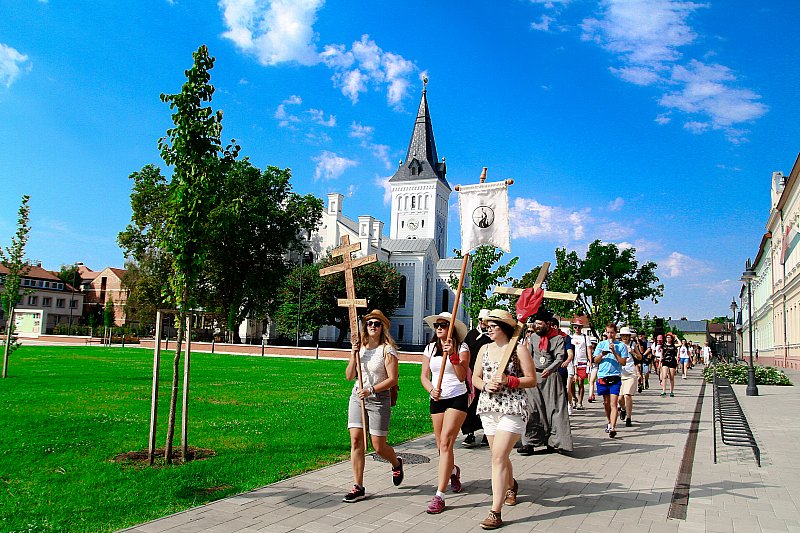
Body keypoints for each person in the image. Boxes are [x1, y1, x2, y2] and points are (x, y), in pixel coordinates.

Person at [472, 309, 537, 530]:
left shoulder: (518, 349)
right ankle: (510, 484)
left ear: (505, 328)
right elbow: (475, 378)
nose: (488, 328)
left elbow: (531, 379)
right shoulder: (484, 349)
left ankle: (495, 512)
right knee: (499, 455)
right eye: (487, 325)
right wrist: (485, 385)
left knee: (498, 458)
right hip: (489, 407)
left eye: (493, 325)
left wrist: (510, 380)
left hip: (512, 407)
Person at [343, 310, 404, 502]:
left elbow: (393, 379)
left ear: (382, 327)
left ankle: (396, 463)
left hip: (378, 399)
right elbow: (349, 376)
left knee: (378, 447)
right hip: (357, 397)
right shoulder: (359, 347)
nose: (373, 326)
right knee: (356, 441)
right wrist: (353, 355)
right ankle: (358, 486)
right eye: (369, 323)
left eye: (377, 324)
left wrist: (371, 389)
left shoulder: (387, 350)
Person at [421, 311, 471, 514]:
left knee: (446, 442)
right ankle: (452, 471)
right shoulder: (430, 348)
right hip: (437, 398)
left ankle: (439, 495)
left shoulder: (462, 347)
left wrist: (453, 356)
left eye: (443, 325)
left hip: (457, 397)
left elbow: (461, 377)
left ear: (452, 329)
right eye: (437, 325)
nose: (439, 328)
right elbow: (424, 376)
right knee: (440, 446)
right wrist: (430, 389)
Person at [519, 309, 574, 455]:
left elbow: (559, 358)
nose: (537, 326)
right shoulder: (533, 338)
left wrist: (550, 369)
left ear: (548, 324)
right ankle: (530, 442)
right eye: (536, 323)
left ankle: (555, 442)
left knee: (554, 410)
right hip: (534, 377)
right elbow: (528, 355)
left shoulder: (558, 339)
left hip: (551, 378)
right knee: (532, 409)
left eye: (540, 324)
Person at [462, 309, 493, 448]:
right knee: (470, 404)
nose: (482, 322)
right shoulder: (471, 335)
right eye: (481, 320)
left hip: (486, 376)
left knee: (486, 404)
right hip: (470, 375)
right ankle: (470, 433)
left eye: (485, 320)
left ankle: (487, 433)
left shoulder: (491, 337)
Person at [592, 323, 629, 438]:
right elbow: (595, 360)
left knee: (614, 403)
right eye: (608, 332)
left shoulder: (621, 346)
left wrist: (614, 352)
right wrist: (602, 354)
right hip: (603, 376)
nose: (610, 335)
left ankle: (613, 427)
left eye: (612, 332)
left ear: (615, 333)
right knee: (606, 403)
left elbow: (623, 362)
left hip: (615, 376)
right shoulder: (601, 345)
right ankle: (609, 422)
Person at [617, 327, 638, 428]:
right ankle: (623, 409)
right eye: (623, 335)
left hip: (631, 373)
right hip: (620, 373)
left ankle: (629, 418)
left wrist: (632, 352)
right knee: (620, 398)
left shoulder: (633, 345)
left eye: (627, 335)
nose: (625, 337)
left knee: (627, 395)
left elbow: (640, 357)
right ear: (620, 336)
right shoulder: (617, 345)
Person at [570, 317, 590, 409]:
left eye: (579, 327)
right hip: (573, 361)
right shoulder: (571, 337)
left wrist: (590, 360)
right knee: (572, 382)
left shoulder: (585, 337)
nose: (577, 329)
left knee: (581, 383)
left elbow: (588, 349)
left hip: (583, 361)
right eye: (575, 327)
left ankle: (580, 402)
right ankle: (574, 398)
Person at [660, 332, 679, 397]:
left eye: (669, 337)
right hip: (665, 361)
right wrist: (660, 360)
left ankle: (671, 391)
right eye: (667, 337)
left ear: (671, 338)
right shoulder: (663, 345)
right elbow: (661, 353)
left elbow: (680, 344)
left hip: (672, 361)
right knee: (664, 376)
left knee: (671, 377)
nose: (668, 338)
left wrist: (676, 337)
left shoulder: (673, 345)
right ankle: (663, 391)